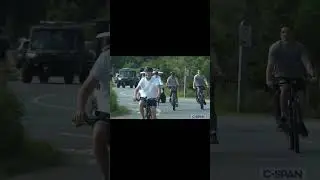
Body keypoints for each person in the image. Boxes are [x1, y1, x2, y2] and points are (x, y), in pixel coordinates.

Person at [266, 25, 316, 137]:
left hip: (297, 76)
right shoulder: (275, 47)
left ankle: (300, 119)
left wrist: (312, 74)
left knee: (302, 95)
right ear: (280, 34)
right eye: (283, 32)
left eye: (288, 32)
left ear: (293, 34)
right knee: (284, 89)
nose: (286, 35)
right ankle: (283, 114)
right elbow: (270, 65)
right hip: (281, 75)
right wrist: (268, 79)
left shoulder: (299, 47)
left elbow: (306, 62)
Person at [73, 32, 110, 180]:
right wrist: (80, 110)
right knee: (99, 134)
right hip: (106, 111)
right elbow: (85, 89)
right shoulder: (105, 58)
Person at [210, 49, 223, 144]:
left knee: (210, 107)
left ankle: (213, 133)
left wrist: (218, 72)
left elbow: (215, 64)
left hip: (209, 79)